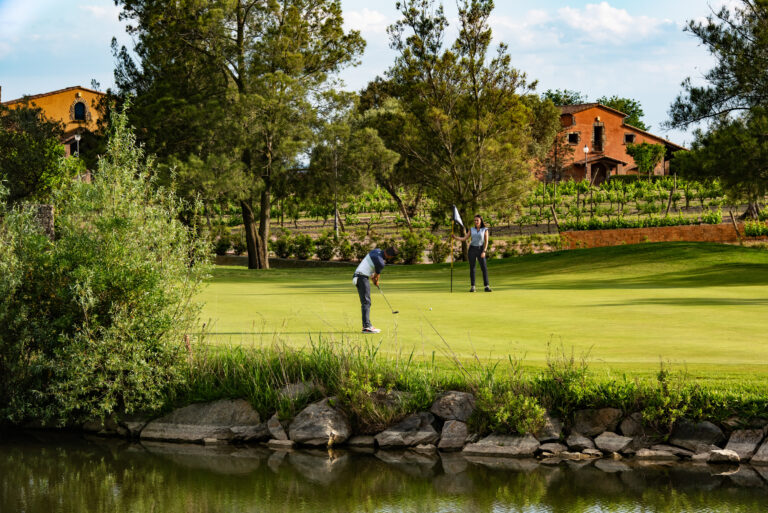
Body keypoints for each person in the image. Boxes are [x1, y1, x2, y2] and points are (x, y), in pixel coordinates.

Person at [352, 246, 398, 333]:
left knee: (366, 302)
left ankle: (367, 325)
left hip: (359, 276)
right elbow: (376, 276)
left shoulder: (376, 251)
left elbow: (373, 269)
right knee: (366, 302)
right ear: (390, 256)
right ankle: (366, 327)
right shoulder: (380, 262)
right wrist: (375, 281)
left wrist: (374, 277)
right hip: (361, 278)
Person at [452, 214, 492, 292]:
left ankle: (486, 286)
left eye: (477, 220)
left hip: (481, 249)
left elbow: (486, 242)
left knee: (484, 268)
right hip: (472, 249)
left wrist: (484, 251)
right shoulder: (471, 229)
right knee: (472, 268)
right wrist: (455, 237)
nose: (476, 221)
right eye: (475, 220)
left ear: (481, 221)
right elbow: (464, 238)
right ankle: (473, 287)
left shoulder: (485, 229)